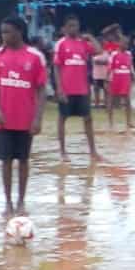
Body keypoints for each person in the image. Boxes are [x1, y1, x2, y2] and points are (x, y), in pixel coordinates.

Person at [0, 15, 47, 216]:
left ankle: (21, 202)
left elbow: (42, 90)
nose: (4, 36)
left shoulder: (34, 57)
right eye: (2, 32)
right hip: (4, 119)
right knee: (6, 161)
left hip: (25, 120)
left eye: (7, 31)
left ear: (19, 32)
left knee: (24, 161)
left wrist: (37, 118)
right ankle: (8, 202)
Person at [54, 16, 101, 161]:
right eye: (71, 26)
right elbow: (56, 67)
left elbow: (99, 51)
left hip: (83, 89)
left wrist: (90, 37)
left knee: (88, 119)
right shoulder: (60, 44)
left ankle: (93, 152)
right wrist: (59, 89)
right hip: (67, 90)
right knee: (62, 119)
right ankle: (63, 152)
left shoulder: (83, 43)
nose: (74, 28)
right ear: (65, 28)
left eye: (76, 26)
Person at [105, 26, 135, 130]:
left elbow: (130, 68)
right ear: (119, 43)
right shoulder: (113, 54)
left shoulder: (129, 54)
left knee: (127, 100)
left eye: (127, 43)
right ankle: (110, 122)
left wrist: (133, 78)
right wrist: (106, 80)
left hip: (125, 79)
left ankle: (129, 122)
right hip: (115, 79)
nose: (126, 45)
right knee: (112, 100)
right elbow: (109, 69)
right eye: (124, 43)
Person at [91, 40, 111, 109]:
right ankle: (97, 104)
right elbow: (96, 61)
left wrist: (100, 61)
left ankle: (106, 104)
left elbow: (106, 61)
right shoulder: (94, 53)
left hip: (104, 75)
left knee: (106, 90)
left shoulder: (106, 53)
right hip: (96, 74)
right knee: (96, 89)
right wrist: (102, 61)